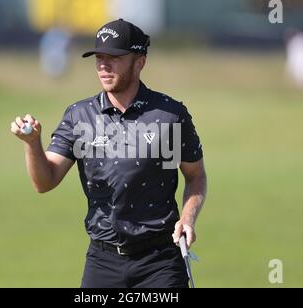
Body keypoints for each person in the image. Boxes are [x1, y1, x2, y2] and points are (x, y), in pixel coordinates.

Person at [11, 19, 207, 288]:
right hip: (102, 261)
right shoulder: (80, 117)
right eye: (99, 57)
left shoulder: (168, 116)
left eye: (114, 57)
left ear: (140, 62)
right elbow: (45, 182)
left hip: (160, 261)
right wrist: (32, 143)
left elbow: (195, 176)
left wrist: (187, 219)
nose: (104, 65)